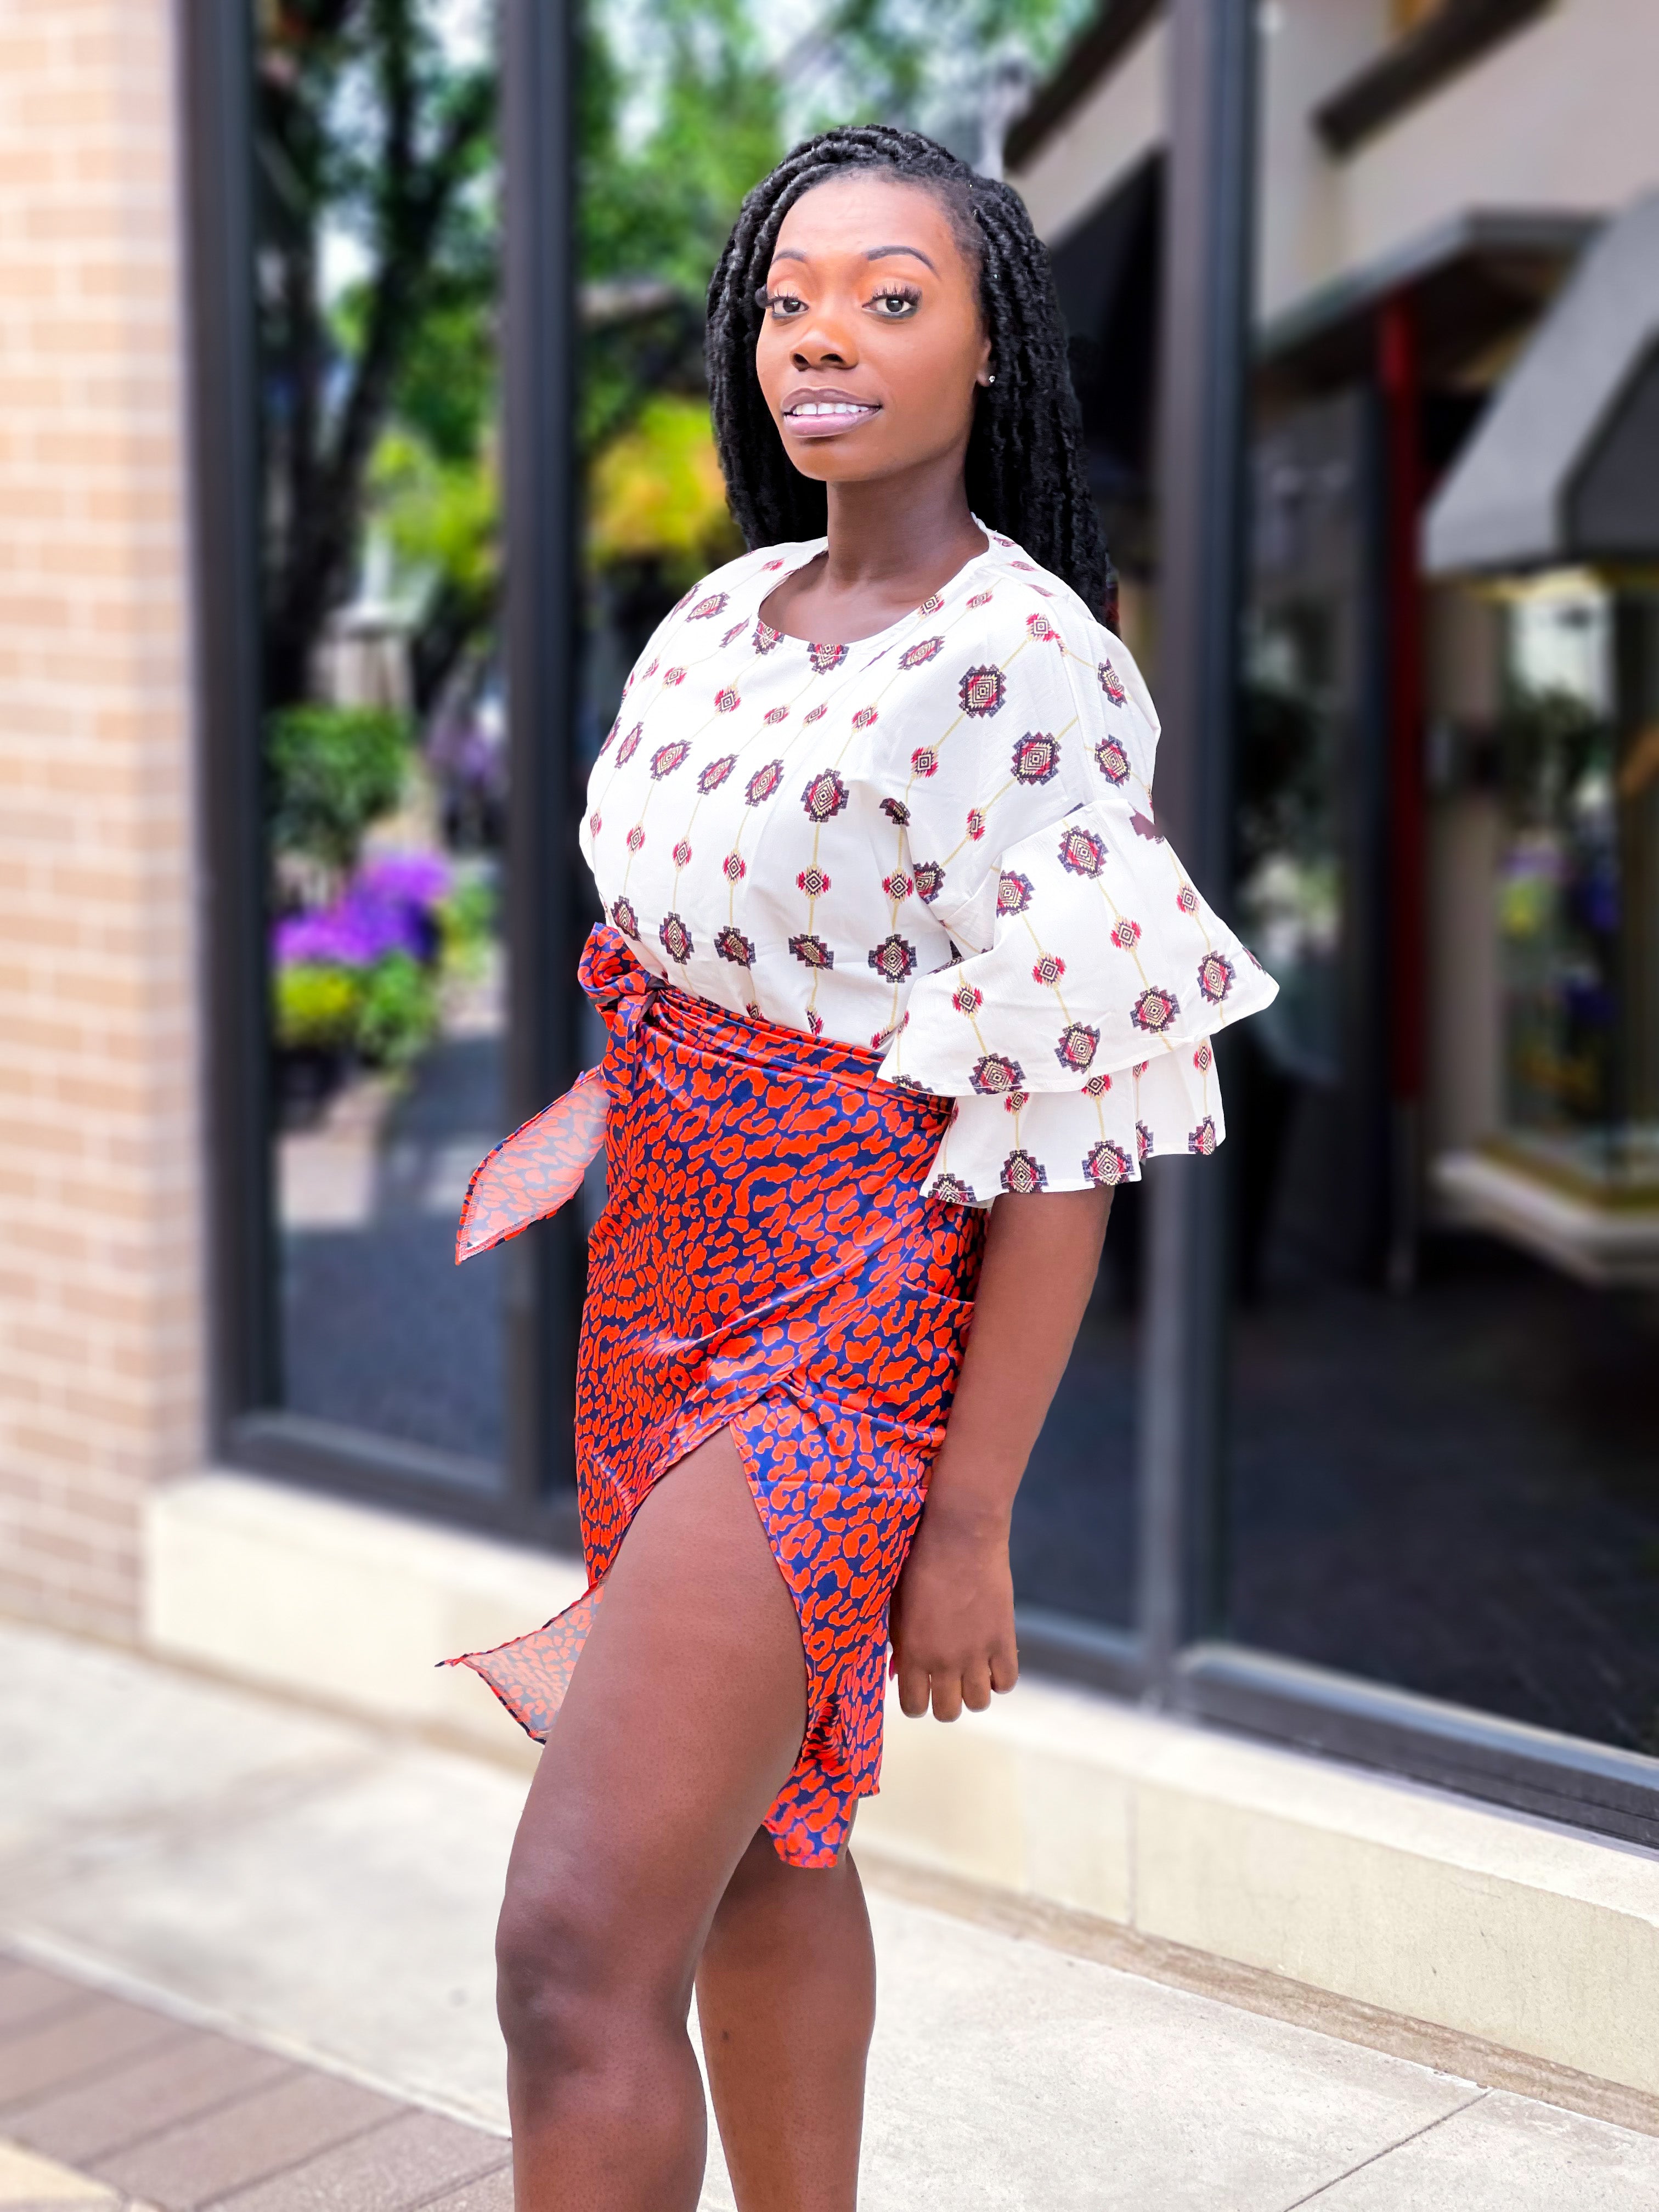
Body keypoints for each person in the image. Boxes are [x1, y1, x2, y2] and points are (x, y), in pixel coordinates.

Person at [448, 125, 1276, 2212]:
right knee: (761, 1850)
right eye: (790, 299)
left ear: (991, 348)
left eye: (892, 299)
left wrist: (971, 1517)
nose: (824, 338)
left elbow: (1069, 1136)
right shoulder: (726, 612)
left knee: (568, 1951)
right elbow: (667, 957)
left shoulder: (1031, 664)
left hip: (844, 1334)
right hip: (657, 1295)